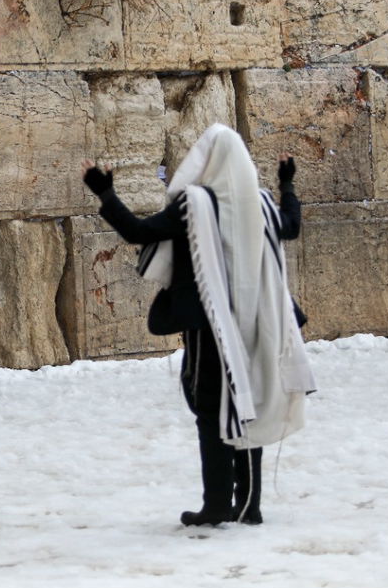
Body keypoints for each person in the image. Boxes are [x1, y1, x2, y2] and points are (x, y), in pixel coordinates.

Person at [82, 124, 315, 527]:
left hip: (210, 327)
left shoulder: (196, 206)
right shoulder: (259, 203)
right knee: (248, 405)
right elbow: (290, 225)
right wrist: (287, 185)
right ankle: (249, 504)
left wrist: (104, 193)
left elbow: (139, 232)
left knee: (210, 409)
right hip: (258, 323)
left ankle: (218, 503)